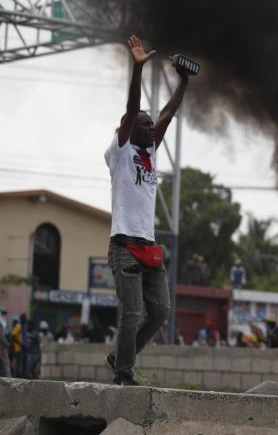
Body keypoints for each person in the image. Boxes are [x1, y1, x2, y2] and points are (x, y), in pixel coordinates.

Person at [104, 35, 190, 386]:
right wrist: (138, 69)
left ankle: (119, 357)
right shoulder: (121, 150)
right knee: (132, 312)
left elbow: (168, 112)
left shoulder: (150, 152)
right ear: (127, 126)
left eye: (150, 124)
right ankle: (123, 373)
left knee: (160, 312)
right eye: (144, 123)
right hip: (124, 247)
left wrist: (184, 82)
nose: (151, 126)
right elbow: (133, 104)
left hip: (149, 246)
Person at [11, 314, 27, 378]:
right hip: (19, 348)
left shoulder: (24, 327)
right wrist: (21, 344)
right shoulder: (18, 326)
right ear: (21, 319)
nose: (25, 319)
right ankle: (16, 378)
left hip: (23, 348)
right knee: (18, 365)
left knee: (23, 365)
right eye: (23, 318)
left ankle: (21, 378)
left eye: (25, 318)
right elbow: (13, 336)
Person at [0, 307, 10, 377]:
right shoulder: (1, 323)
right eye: (3, 314)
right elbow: (2, 338)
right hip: (2, 347)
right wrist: (8, 344)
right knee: (5, 364)